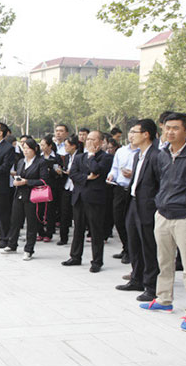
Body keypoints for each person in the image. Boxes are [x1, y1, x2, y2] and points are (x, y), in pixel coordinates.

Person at [141, 112, 186, 332]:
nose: (170, 132)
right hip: (163, 215)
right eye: (167, 127)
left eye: (175, 128)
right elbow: (159, 183)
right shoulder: (162, 154)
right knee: (164, 262)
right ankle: (164, 299)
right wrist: (159, 205)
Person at [115, 119, 160, 301]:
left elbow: (161, 185)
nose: (130, 135)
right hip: (133, 202)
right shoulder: (137, 156)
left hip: (148, 207)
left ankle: (151, 286)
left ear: (146, 134)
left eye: (134, 132)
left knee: (148, 246)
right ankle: (136, 279)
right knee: (133, 243)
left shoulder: (157, 156)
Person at [62, 131, 114, 272]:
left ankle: (97, 261)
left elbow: (96, 170)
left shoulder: (106, 158)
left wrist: (91, 156)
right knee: (78, 228)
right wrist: (87, 178)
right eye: (88, 139)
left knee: (96, 231)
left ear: (101, 142)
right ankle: (75, 256)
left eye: (93, 139)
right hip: (79, 196)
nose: (89, 142)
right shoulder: (79, 157)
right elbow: (73, 174)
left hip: (95, 199)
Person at [3, 138, 49, 260]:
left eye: (28, 148)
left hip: (32, 196)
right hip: (19, 194)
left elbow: (43, 180)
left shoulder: (41, 162)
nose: (26, 151)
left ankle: (29, 249)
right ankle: (12, 244)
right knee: (15, 220)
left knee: (31, 223)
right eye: (24, 148)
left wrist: (27, 182)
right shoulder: (21, 162)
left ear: (35, 149)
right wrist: (17, 181)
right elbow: (19, 175)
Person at [106, 131, 139, 264]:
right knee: (118, 219)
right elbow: (114, 168)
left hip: (133, 190)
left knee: (131, 222)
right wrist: (111, 175)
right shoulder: (121, 151)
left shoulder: (144, 152)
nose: (132, 135)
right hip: (119, 189)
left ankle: (132, 251)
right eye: (130, 132)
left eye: (135, 132)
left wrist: (133, 174)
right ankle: (126, 247)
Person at [56, 135, 81, 245]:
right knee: (64, 213)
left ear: (73, 146)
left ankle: (77, 239)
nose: (65, 147)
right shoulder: (66, 157)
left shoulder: (80, 157)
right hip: (67, 186)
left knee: (77, 215)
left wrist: (73, 173)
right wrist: (62, 172)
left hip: (76, 187)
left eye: (66, 145)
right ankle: (63, 237)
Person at [36, 135, 59, 242]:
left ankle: (49, 233)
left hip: (52, 186)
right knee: (39, 210)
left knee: (50, 210)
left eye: (44, 145)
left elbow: (59, 173)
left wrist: (51, 171)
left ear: (50, 146)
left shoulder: (56, 157)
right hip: (40, 186)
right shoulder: (38, 157)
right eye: (41, 145)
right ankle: (40, 232)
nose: (42, 147)